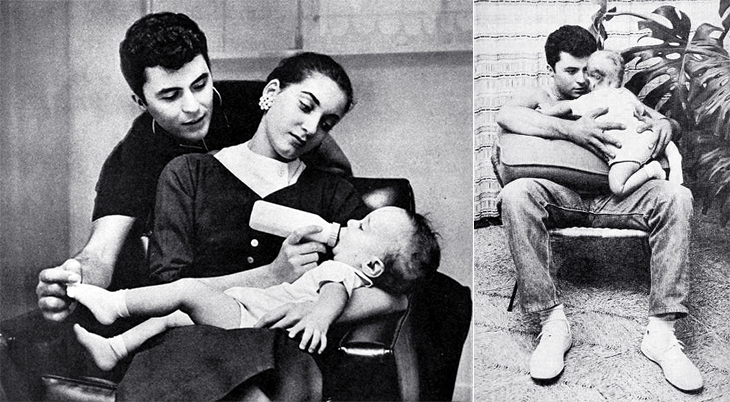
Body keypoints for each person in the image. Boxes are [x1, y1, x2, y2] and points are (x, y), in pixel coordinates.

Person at [35, 12, 352, 323]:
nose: (193, 106)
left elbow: (335, 178)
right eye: (170, 95)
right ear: (141, 101)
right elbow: (101, 253)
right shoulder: (136, 152)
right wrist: (73, 279)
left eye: (200, 84)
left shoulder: (262, 105)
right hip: (186, 300)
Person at [496, 25, 702, 392]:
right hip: (562, 197)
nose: (580, 80)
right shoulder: (541, 95)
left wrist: (668, 125)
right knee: (515, 194)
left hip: (618, 196)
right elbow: (508, 117)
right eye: (570, 71)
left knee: (677, 197)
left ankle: (662, 333)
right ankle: (553, 324)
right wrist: (572, 131)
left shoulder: (607, 89)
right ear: (552, 71)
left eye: (585, 70)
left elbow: (658, 119)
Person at [66, 207, 439, 374]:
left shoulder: (342, 272)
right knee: (173, 317)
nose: (352, 220)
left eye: (364, 226)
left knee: (187, 291)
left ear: (372, 266)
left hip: (249, 321)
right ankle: (114, 347)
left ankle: (114, 305)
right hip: (249, 311)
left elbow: (334, 295)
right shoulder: (353, 273)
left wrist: (320, 318)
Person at [536, 49, 684, 196]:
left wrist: (546, 111)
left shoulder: (588, 99)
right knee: (654, 137)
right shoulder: (626, 94)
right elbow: (641, 112)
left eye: (586, 73)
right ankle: (674, 156)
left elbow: (563, 107)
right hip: (644, 139)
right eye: (571, 71)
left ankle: (653, 170)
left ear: (596, 77)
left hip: (626, 152)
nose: (582, 80)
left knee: (618, 186)